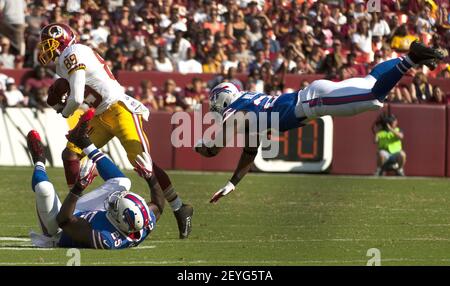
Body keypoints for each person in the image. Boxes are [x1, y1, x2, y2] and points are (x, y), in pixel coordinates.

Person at [195, 41, 445, 203]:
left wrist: (199, 144)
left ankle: (411, 58)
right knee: (370, 81)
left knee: (372, 95)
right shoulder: (246, 108)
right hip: (312, 95)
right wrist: (231, 184)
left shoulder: (235, 111)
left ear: (223, 99)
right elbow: (250, 152)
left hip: (313, 102)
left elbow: (212, 150)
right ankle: (411, 56)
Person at [38, 23, 193, 239]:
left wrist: (64, 112)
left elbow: (77, 98)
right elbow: (76, 95)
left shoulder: (73, 52)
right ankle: (78, 209)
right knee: (71, 153)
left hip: (120, 110)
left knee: (142, 160)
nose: (47, 50)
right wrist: (60, 103)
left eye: (51, 44)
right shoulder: (62, 64)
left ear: (63, 40)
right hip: (101, 114)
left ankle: (179, 207)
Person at [26, 115, 162, 249]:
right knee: (122, 182)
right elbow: (158, 205)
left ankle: (39, 160)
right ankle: (84, 141)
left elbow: (64, 220)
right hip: (86, 216)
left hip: (60, 230)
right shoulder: (141, 222)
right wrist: (150, 177)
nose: (113, 201)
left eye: (116, 205)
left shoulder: (105, 238)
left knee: (45, 189)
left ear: (120, 219)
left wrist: (79, 187)